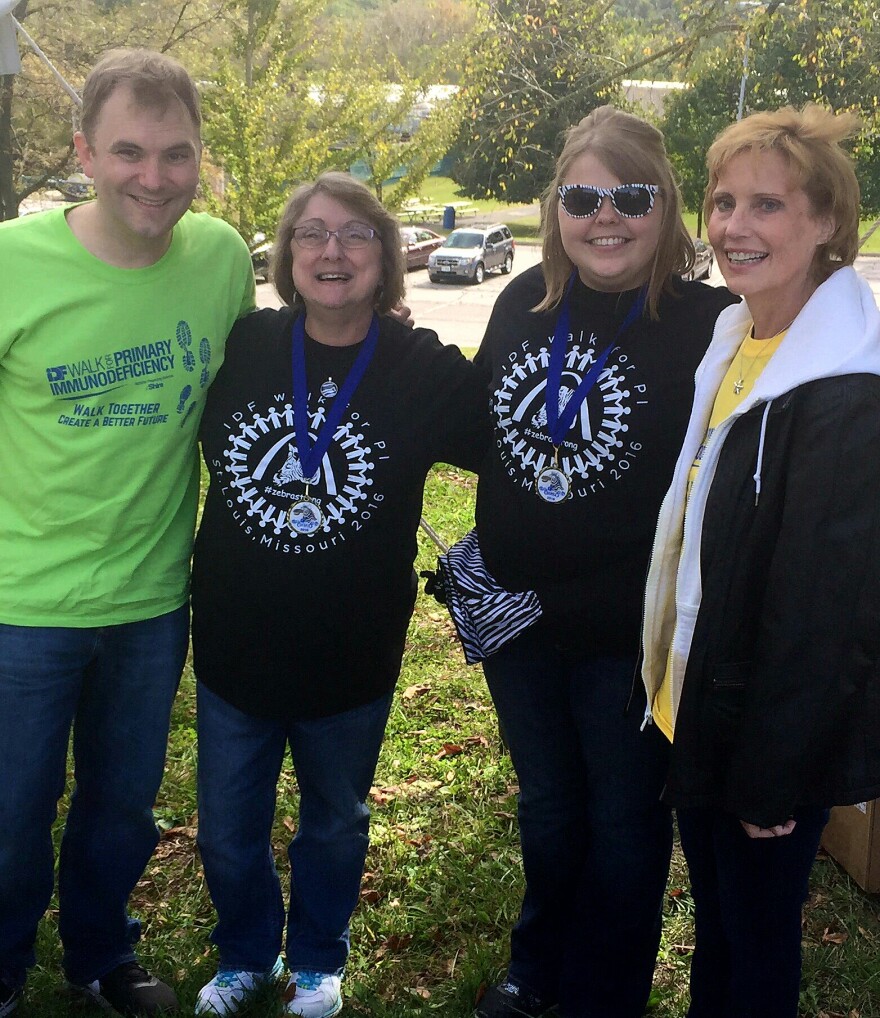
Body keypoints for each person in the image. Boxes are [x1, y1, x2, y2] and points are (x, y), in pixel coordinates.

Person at [189, 171, 487, 1018]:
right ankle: (246, 953)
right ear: (285, 255)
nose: (332, 251)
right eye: (312, 233)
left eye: (356, 234)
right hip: (235, 646)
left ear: (388, 260)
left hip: (352, 654)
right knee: (227, 827)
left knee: (334, 821)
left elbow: (511, 439)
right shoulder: (243, 344)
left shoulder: (419, 365)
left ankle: (317, 959)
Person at [0, 49, 255, 1017]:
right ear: (83, 153)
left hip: (152, 598)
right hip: (20, 603)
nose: (154, 177)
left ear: (200, 159)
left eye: (176, 154)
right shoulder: (10, 262)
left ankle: (100, 952)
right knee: (11, 814)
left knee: (120, 811)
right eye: (129, 152)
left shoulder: (222, 257)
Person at [467, 107, 736, 1018]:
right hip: (520, 629)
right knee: (549, 813)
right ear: (556, 208)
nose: (605, 217)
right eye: (583, 197)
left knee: (623, 826)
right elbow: (491, 431)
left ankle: (605, 992)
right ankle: (536, 968)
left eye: (631, 196)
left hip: (629, 636)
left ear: (665, 205)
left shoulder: (711, 321)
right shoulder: (522, 300)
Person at [641, 105, 880, 1017]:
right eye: (724, 200)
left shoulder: (846, 387)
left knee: (758, 945)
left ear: (827, 225)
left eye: (768, 206)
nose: (735, 227)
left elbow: (827, 608)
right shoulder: (736, 337)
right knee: (721, 930)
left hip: (763, 739)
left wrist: (775, 771)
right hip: (700, 702)